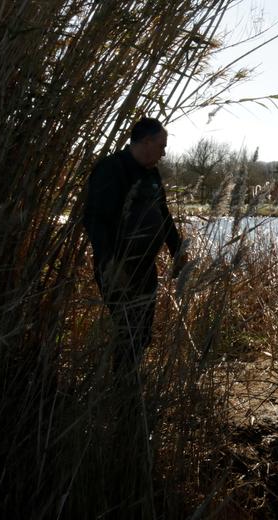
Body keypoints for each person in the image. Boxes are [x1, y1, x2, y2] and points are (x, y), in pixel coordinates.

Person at [83, 117, 186, 370]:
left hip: (145, 269)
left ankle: (130, 386)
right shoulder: (111, 169)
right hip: (118, 269)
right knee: (128, 330)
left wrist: (178, 250)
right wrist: (109, 265)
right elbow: (95, 221)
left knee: (141, 334)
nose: (163, 153)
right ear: (147, 141)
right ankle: (121, 393)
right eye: (162, 146)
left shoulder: (151, 172)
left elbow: (163, 214)